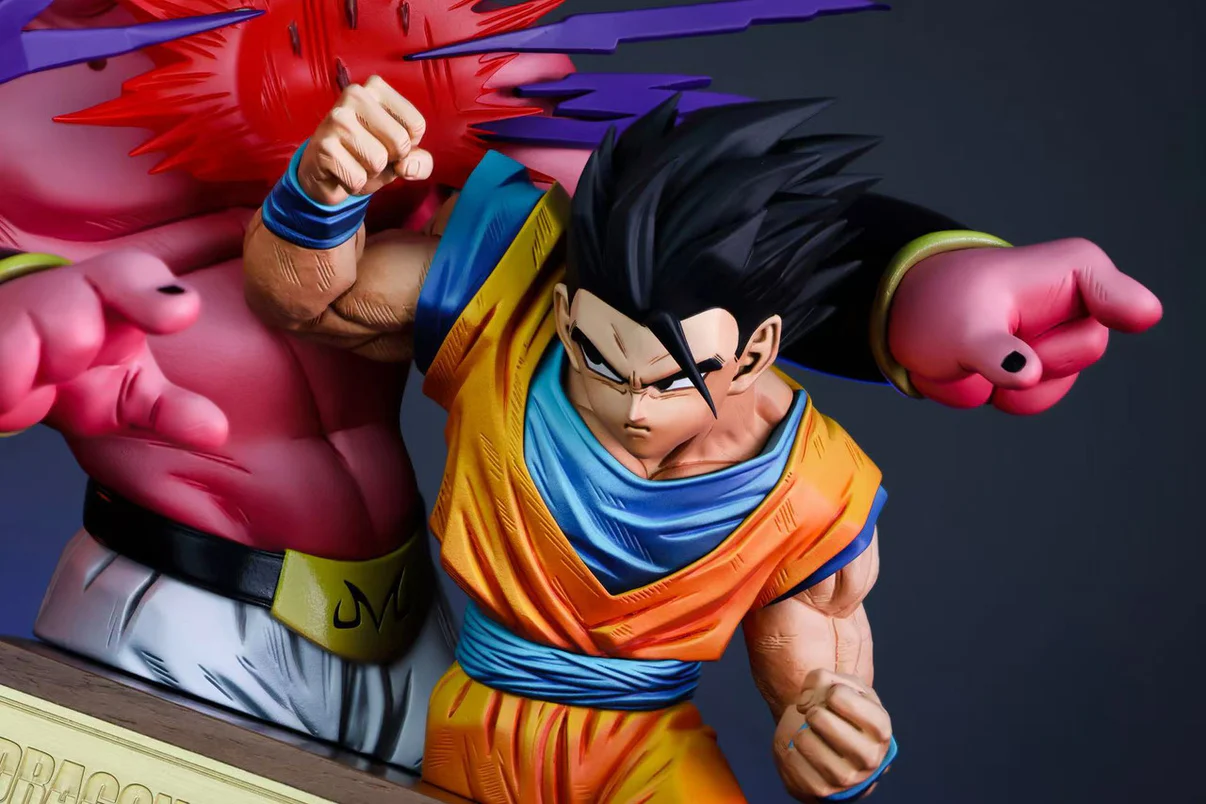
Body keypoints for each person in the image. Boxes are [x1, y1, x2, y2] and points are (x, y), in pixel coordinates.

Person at [242, 82, 1160, 801]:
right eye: (598, 358)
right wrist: (322, 195)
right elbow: (309, 302)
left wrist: (840, 738)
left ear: (754, 353)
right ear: (563, 311)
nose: (631, 404)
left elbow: (821, 682)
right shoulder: (504, 302)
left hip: (648, 755)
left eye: (672, 379)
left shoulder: (807, 488)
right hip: (467, 724)